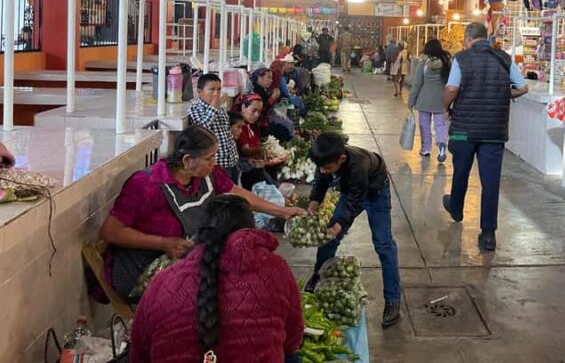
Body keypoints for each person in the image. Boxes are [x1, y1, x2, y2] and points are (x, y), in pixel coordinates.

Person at [99, 127, 305, 300]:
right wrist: (164, 243)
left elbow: (237, 193)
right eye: (209, 157)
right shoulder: (147, 185)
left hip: (185, 263)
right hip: (142, 271)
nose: (214, 162)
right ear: (187, 160)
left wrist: (282, 211)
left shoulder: (206, 175)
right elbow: (111, 231)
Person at [129, 194, 304, 362]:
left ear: (202, 230)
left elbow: (139, 352)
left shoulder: (164, 280)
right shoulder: (275, 268)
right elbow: (292, 340)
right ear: (251, 228)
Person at [441, 22, 529, 252]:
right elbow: (522, 88)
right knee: (490, 182)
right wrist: (502, 93)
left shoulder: (461, 58)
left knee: (461, 170)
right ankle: (488, 234)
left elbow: (451, 89)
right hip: (494, 130)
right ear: (485, 37)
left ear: (468, 38)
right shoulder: (504, 58)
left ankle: (457, 207)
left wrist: (445, 107)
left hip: (463, 129)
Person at [305, 132, 401, 329]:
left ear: (341, 158)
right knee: (329, 238)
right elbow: (321, 182)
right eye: (320, 167)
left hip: (375, 192)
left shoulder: (358, 165)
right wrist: (313, 203)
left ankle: (393, 298)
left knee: (383, 245)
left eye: (328, 168)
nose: (323, 171)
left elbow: (356, 200)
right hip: (351, 191)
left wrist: (340, 223)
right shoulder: (324, 160)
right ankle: (318, 273)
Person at [188, 74, 240, 183]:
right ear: (199, 92)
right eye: (212, 89)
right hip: (216, 163)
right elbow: (201, 129)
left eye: (219, 89)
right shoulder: (196, 109)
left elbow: (226, 131)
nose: (216, 93)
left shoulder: (220, 109)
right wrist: (213, 108)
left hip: (231, 159)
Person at [409, 39, 451, 162]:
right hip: (441, 99)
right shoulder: (446, 63)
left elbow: (417, 84)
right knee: (440, 124)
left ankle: (426, 148)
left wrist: (411, 100)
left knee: (424, 125)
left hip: (425, 98)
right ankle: (441, 143)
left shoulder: (424, 64)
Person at [233, 94, 286, 187]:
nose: (256, 115)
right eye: (254, 111)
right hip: (247, 168)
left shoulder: (252, 124)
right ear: (243, 107)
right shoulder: (239, 126)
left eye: (259, 111)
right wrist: (261, 150)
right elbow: (245, 150)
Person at [251, 66, 294, 143]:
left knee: (288, 115)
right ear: (259, 78)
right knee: (286, 125)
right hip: (261, 125)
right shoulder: (255, 92)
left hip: (270, 115)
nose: (271, 80)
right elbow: (262, 109)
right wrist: (273, 98)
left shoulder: (262, 89)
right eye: (268, 77)